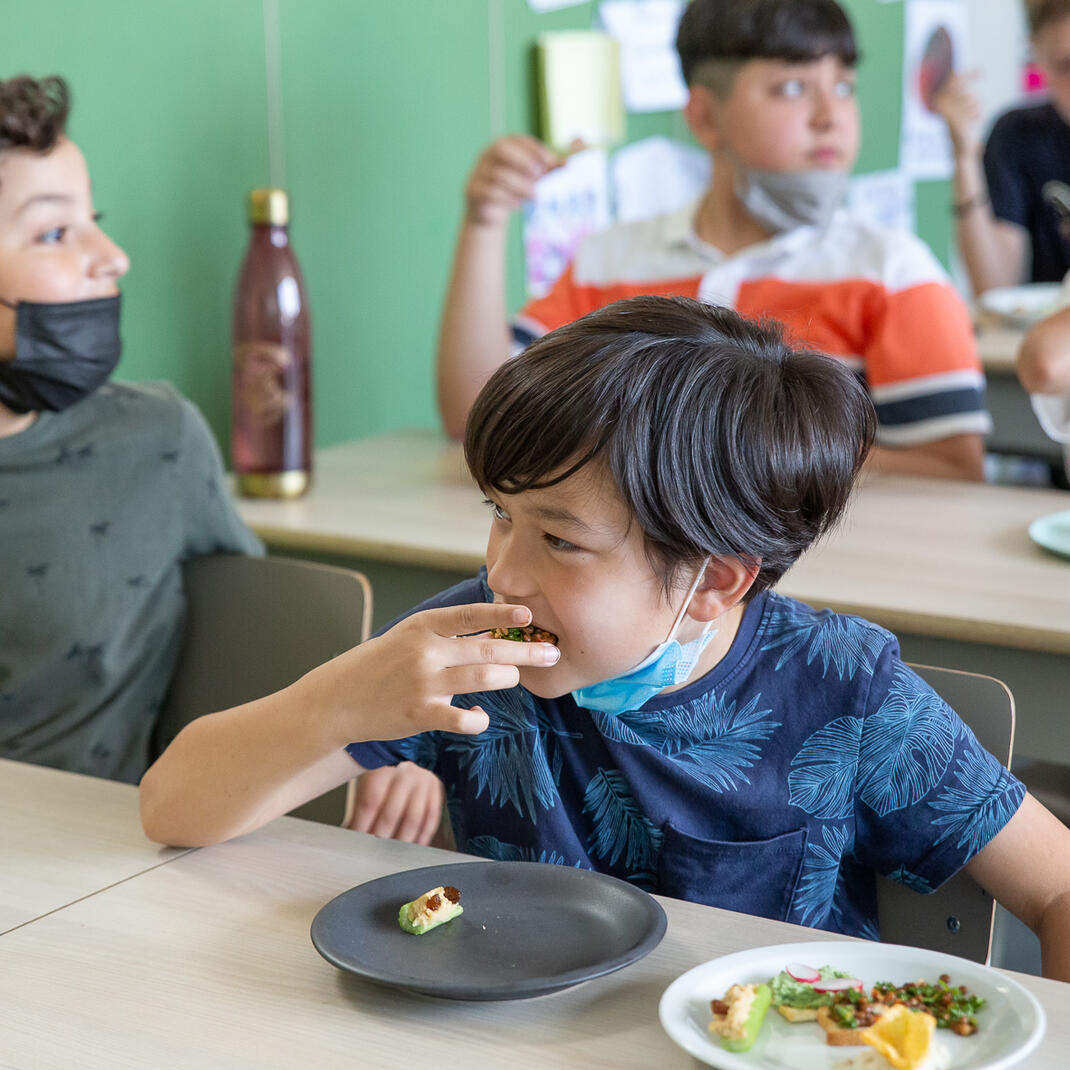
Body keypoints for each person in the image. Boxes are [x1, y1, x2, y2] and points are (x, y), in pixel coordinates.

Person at [142, 296, 1070, 980]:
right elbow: (173, 808)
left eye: (559, 538)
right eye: (498, 514)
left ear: (714, 578)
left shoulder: (841, 691)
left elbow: (1057, 889)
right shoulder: (477, 641)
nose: (504, 568)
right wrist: (339, 701)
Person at [0, 74, 447, 844]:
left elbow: (273, 662)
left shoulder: (152, 440)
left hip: (93, 867)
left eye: (93, 220)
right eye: (52, 233)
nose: (113, 257)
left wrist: (367, 746)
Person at [436, 0, 989, 482]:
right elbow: (475, 417)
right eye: (792, 88)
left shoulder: (893, 270)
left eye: (844, 87)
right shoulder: (609, 262)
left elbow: (953, 468)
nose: (831, 117)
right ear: (705, 117)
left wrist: (714, 461)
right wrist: (486, 222)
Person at [933, 0, 1070, 294]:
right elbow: (994, 287)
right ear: (1037, 55)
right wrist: (963, 158)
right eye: (1065, 66)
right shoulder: (1016, 134)